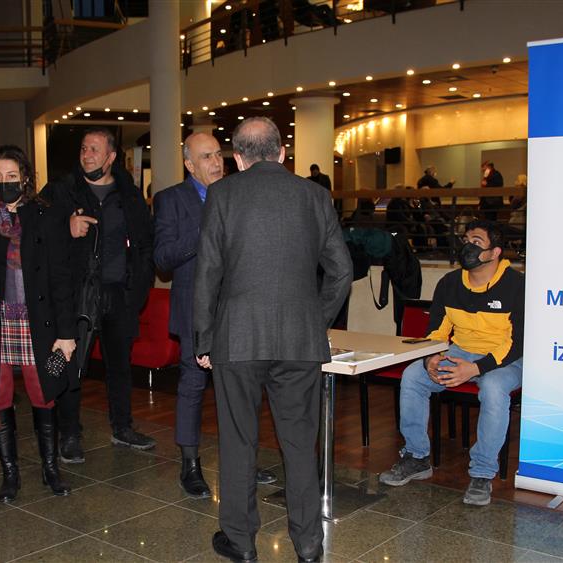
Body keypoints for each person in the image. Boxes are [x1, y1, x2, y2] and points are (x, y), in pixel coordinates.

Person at [194, 117, 352, 563]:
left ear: (238, 158)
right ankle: (308, 545)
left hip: (237, 338)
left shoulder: (222, 194)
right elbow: (342, 271)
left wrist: (204, 339)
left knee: (238, 440)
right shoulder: (315, 196)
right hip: (300, 340)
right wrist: (314, 319)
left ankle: (241, 542)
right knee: (300, 443)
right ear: (282, 152)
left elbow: (208, 272)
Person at [153, 132, 276, 499]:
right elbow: (162, 259)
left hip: (239, 309)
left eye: (218, 154)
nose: (216, 162)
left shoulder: (239, 193)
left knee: (241, 389)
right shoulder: (171, 200)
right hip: (195, 311)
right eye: (206, 156)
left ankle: (243, 463)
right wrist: (203, 229)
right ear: (189, 165)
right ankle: (190, 465)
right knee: (193, 386)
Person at [378, 219, 523, 507]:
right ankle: (417, 457)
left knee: (494, 388)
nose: (467, 247)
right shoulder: (450, 283)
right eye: (466, 240)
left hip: (507, 358)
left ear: (495, 252)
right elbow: (436, 330)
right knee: (413, 377)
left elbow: (517, 342)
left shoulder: (516, 286)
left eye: (477, 242)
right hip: (461, 351)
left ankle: (482, 473)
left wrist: (476, 368)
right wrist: (431, 357)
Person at [0, 145, 79, 501]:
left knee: (44, 392)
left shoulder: (46, 214)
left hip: (40, 322)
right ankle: (10, 473)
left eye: (12, 176)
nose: (5, 183)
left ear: (25, 177)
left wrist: (67, 333)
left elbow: (62, 276)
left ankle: (50, 469)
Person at [45, 127, 157, 462]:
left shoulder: (128, 194)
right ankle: (69, 433)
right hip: (78, 295)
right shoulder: (62, 191)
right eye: (84, 148)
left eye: (95, 149)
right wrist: (65, 227)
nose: (87, 155)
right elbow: (37, 232)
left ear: (111, 156)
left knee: (120, 366)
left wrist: (137, 289)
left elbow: (145, 244)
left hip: (119, 294)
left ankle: (122, 427)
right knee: (72, 365)